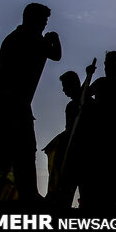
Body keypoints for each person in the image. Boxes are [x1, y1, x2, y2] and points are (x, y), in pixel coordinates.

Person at [0, 3, 61, 204]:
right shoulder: (23, 39)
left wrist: (53, 40)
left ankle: (27, 195)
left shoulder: (27, 39)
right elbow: (55, 54)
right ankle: (19, 195)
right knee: (8, 156)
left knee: (21, 153)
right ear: (33, 20)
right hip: (9, 107)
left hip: (16, 106)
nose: (44, 25)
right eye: (42, 21)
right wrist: (54, 39)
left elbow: (54, 55)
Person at [86, 51, 116, 211]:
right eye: (106, 64)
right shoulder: (99, 82)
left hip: (114, 133)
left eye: (111, 64)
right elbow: (82, 97)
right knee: (95, 176)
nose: (107, 67)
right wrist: (88, 76)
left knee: (114, 178)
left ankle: (111, 213)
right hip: (98, 133)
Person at [43, 70, 97, 208]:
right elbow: (69, 130)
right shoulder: (71, 107)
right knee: (66, 190)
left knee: (88, 194)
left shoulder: (88, 104)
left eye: (65, 86)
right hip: (71, 155)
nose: (63, 90)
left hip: (86, 155)